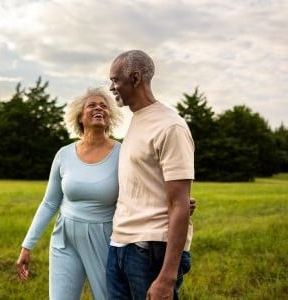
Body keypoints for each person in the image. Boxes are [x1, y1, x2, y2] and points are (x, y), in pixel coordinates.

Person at [16, 87, 123, 300]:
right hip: (65, 237)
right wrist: (27, 245)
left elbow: (140, 191)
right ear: (80, 117)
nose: (99, 108)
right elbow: (49, 202)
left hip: (104, 237)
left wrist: (171, 202)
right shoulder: (64, 154)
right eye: (92, 105)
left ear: (110, 117)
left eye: (104, 106)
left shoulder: (122, 153)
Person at [105, 50, 195, 300]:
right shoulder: (136, 121)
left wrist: (167, 277)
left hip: (149, 250)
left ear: (134, 79)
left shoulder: (170, 126)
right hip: (119, 245)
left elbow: (180, 204)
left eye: (115, 80)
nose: (112, 87)